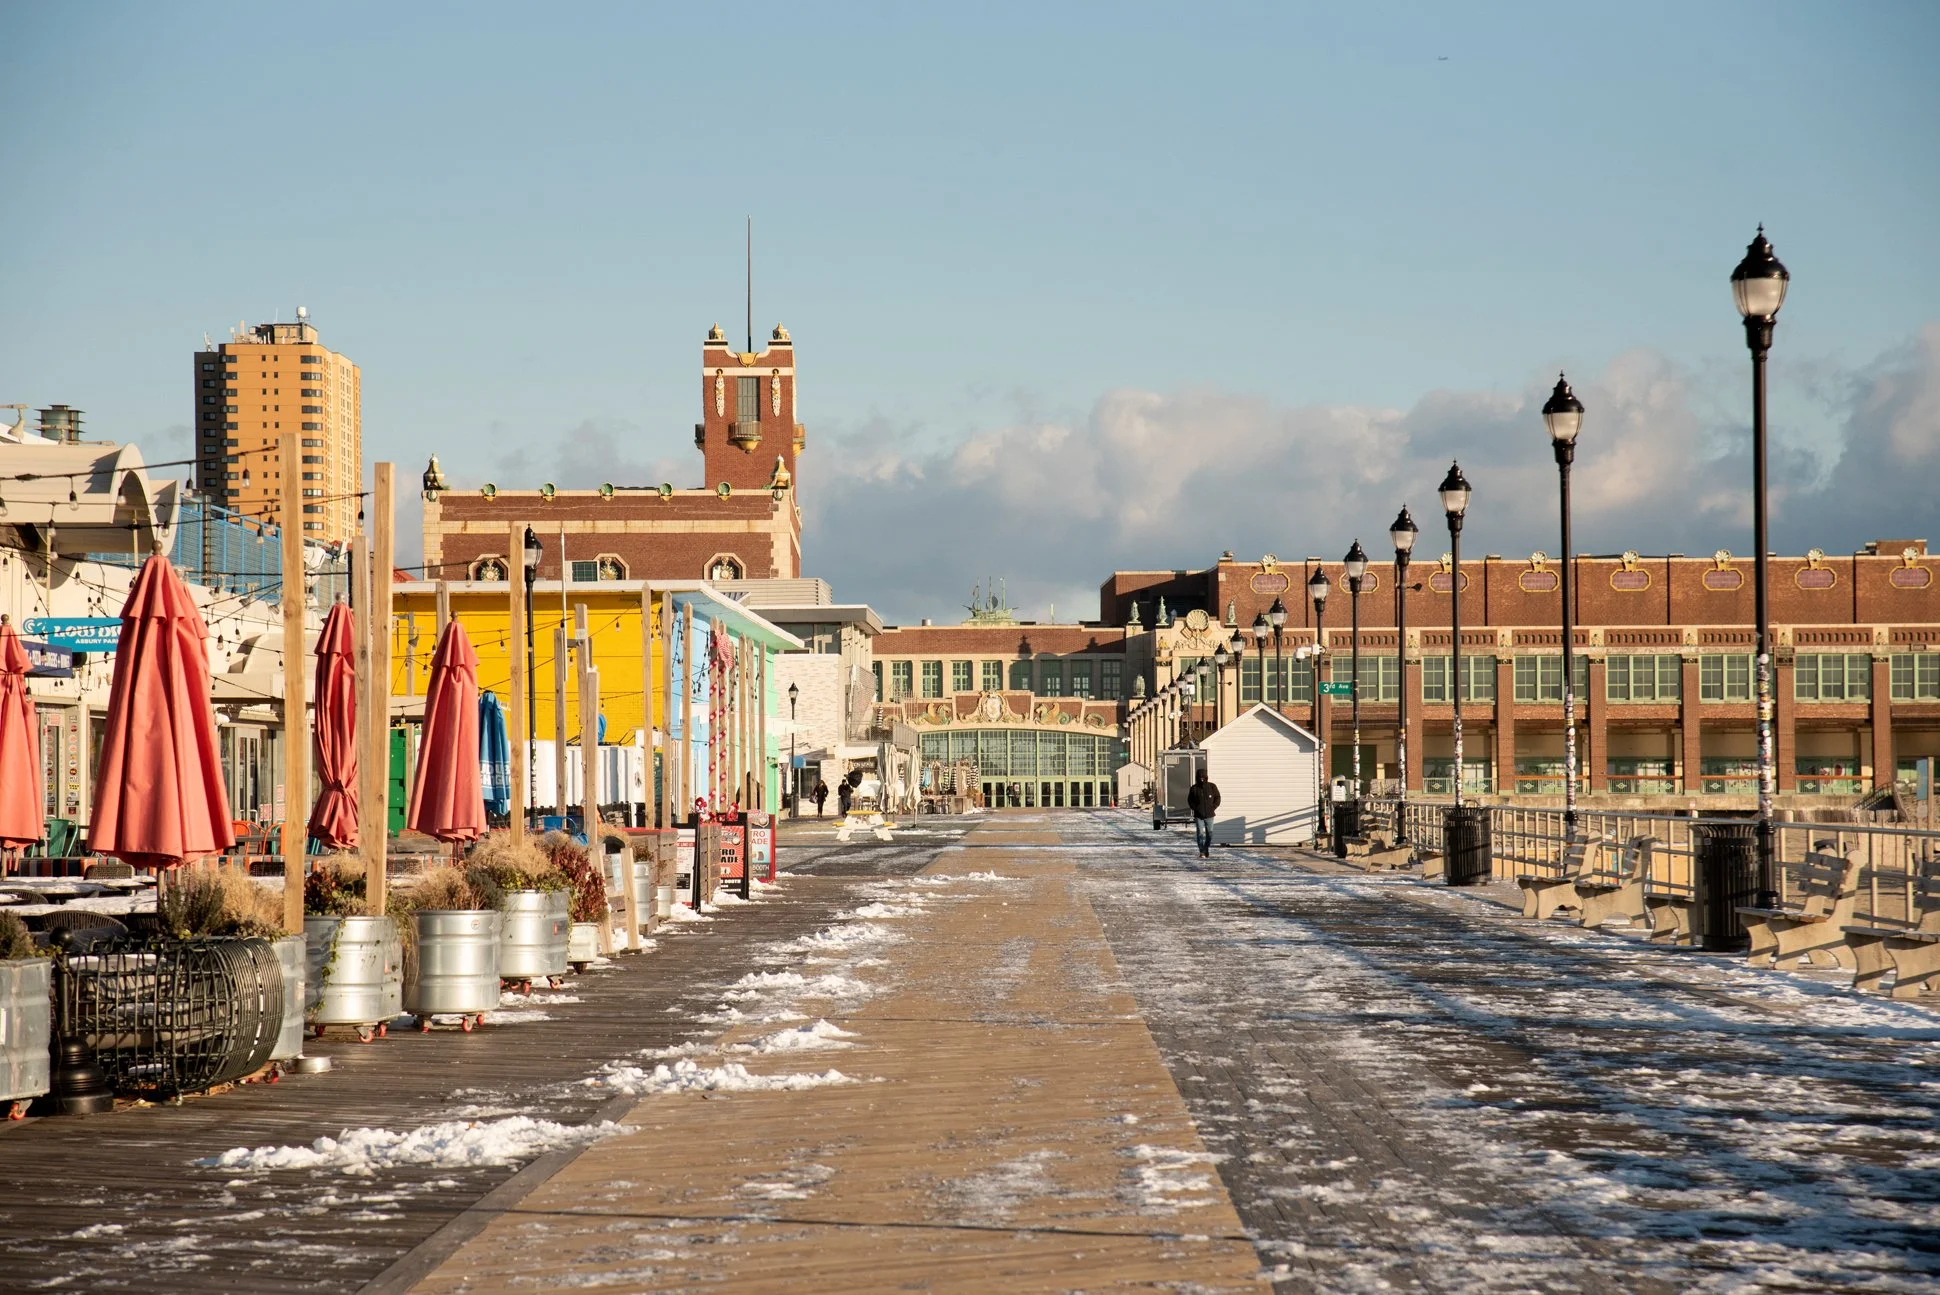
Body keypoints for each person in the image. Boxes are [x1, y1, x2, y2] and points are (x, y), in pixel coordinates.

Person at [1186, 769, 1221, 859]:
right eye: (1200, 777)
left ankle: (1206, 849)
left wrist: (1213, 807)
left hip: (1210, 815)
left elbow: (1217, 797)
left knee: (1210, 834)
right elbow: (1190, 800)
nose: (1202, 778)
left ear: (1206, 777)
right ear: (1197, 777)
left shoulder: (1212, 786)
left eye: (1203, 777)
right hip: (1198, 815)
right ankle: (1201, 851)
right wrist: (1195, 808)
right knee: (1200, 833)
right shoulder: (1194, 788)